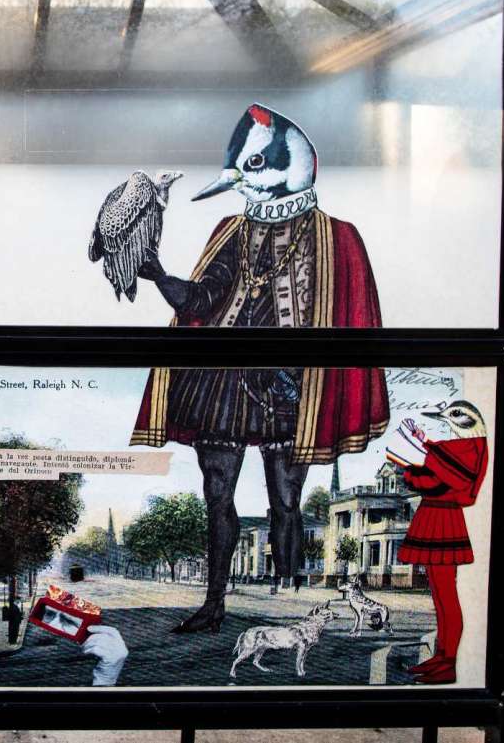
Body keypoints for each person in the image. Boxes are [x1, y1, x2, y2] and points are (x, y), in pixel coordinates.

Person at [129, 104, 388, 634]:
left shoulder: (338, 237)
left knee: (287, 502)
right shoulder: (233, 230)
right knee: (217, 496)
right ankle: (215, 603)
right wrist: (157, 274)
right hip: (220, 385)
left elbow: (354, 324)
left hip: (294, 391)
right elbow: (199, 302)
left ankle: (289, 602)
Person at [393, 400, 490, 685]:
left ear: (470, 421)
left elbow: (443, 477)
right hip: (439, 517)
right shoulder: (464, 447)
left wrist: (412, 470)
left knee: (447, 597)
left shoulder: (473, 447)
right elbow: (444, 463)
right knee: (440, 595)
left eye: (454, 415)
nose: (447, 420)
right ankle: (442, 657)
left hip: (444, 521)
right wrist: (422, 443)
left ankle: (448, 662)